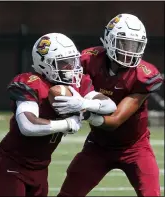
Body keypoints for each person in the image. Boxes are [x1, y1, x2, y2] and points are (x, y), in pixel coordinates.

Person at [0, 33, 117, 196]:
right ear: (44, 64)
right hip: (12, 165)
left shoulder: (77, 85)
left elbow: (109, 105)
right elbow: (28, 125)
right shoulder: (31, 83)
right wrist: (67, 124)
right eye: (64, 63)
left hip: (41, 168)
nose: (71, 68)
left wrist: (84, 103)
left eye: (73, 61)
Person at [55, 14, 163, 196]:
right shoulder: (89, 60)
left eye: (135, 45)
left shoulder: (143, 75)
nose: (130, 51)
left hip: (135, 147)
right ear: (109, 40)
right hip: (98, 145)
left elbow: (115, 120)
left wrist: (84, 111)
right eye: (124, 44)